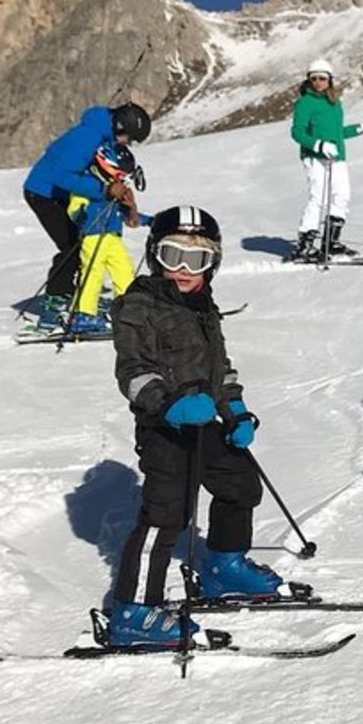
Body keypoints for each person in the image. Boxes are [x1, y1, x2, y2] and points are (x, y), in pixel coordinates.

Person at [106, 205, 282, 647]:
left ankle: (223, 565)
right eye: (172, 256)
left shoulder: (205, 307)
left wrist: (236, 411)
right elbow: (133, 373)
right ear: (154, 255)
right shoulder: (138, 306)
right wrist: (170, 406)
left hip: (207, 423)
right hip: (164, 427)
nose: (184, 270)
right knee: (168, 514)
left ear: (214, 263)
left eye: (197, 259)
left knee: (241, 484)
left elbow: (219, 368)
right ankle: (134, 612)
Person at [22, 103, 150, 311]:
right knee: (73, 245)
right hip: (44, 193)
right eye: (130, 137)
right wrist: (104, 190)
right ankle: (58, 297)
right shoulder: (88, 137)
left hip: (64, 192)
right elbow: (62, 175)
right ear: (119, 127)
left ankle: (77, 295)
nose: (129, 143)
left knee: (81, 243)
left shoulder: (102, 134)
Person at [289, 58, 363, 260]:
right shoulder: (305, 103)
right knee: (318, 198)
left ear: (329, 79)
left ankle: (331, 242)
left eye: (322, 78)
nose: (318, 82)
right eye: (314, 79)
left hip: (337, 157)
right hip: (314, 158)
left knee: (342, 197)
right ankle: (304, 246)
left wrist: (361, 128)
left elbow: (337, 133)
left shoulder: (334, 103)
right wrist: (319, 145)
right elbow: (297, 133)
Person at [63, 142, 150, 334]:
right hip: (93, 236)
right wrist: (95, 206)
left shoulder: (117, 188)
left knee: (125, 271)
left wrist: (145, 218)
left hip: (112, 237)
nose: (123, 178)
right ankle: (83, 314)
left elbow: (127, 217)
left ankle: (128, 310)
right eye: (121, 173)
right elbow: (75, 209)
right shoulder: (88, 181)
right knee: (93, 273)